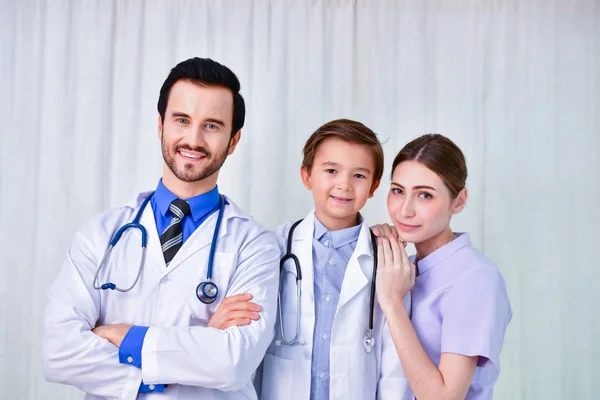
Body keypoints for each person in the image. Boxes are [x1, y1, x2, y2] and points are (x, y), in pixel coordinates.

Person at [40, 57, 280, 399]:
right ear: (160, 125)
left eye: (212, 125)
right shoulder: (101, 234)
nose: (193, 139)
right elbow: (58, 351)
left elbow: (233, 362)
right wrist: (192, 353)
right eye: (182, 120)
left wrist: (125, 336)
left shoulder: (255, 244)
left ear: (234, 139)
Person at [256, 119, 413, 399]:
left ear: (374, 186)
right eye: (331, 170)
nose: (344, 185)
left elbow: (395, 368)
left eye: (359, 176)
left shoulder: (389, 259)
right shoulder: (274, 247)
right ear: (307, 176)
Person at [372, 133, 512, 400]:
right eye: (398, 191)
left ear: (458, 201)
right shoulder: (403, 267)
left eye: (424, 195)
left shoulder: (476, 278)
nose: (405, 210)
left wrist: (392, 302)